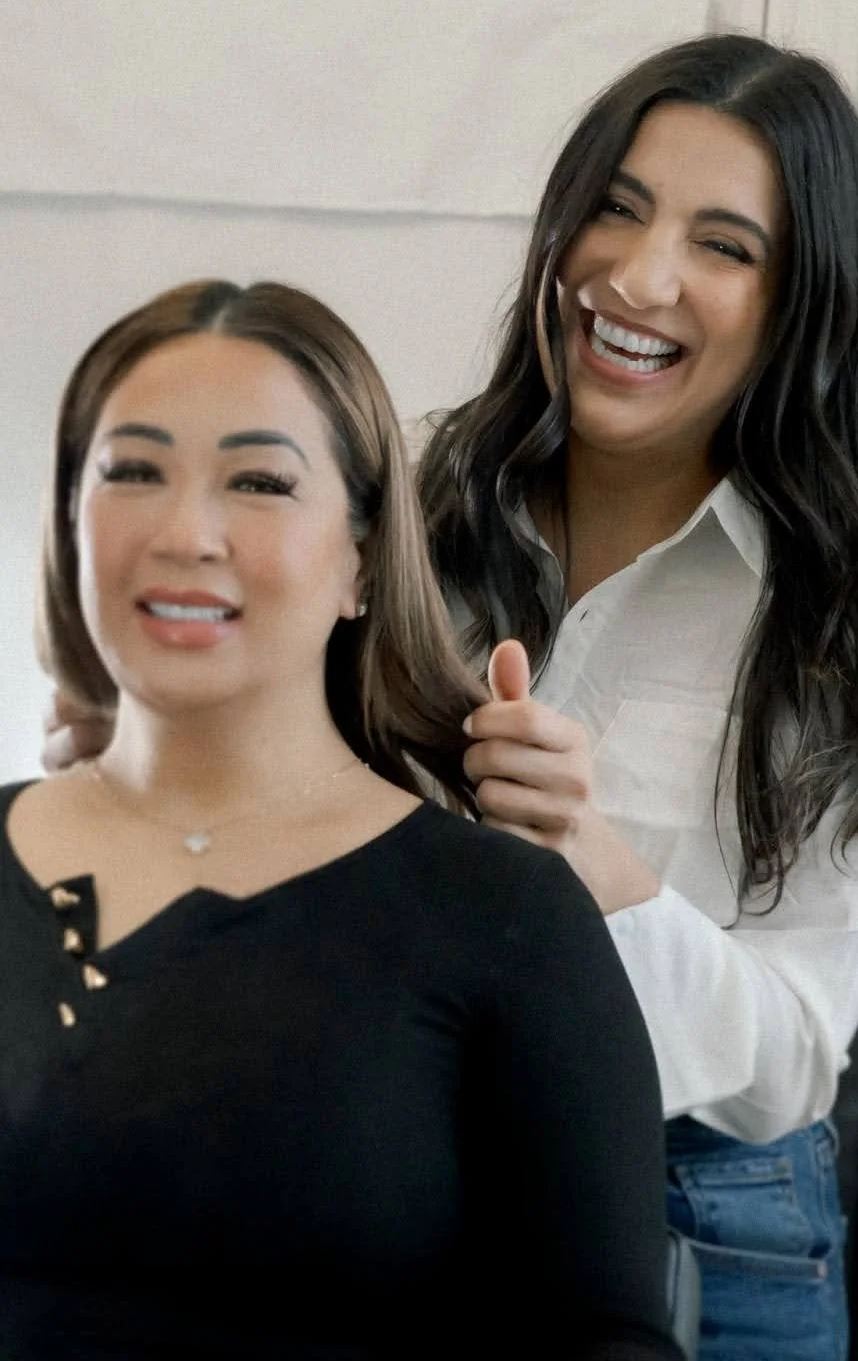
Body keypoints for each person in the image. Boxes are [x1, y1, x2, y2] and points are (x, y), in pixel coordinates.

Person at [4, 279, 683, 1361]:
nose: (187, 530)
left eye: (260, 480)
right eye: (132, 469)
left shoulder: (505, 921)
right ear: (68, 520)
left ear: (362, 560)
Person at [418, 34, 858, 1361]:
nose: (636, 277)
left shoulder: (840, 621)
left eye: (724, 245)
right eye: (617, 208)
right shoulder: (408, 517)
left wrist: (596, 870)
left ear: (804, 303)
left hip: (707, 1226)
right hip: (404, 1186)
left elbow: (792, 1065)